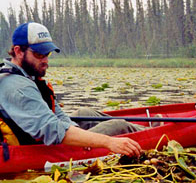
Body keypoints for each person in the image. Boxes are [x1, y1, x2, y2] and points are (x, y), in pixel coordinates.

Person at [0, 22, 142, 157]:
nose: (45, 61)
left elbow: (59, 116)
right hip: (34, 150)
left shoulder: (28, 75)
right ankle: (156, 134)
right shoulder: (17, 86)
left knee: (85, 113)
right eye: (39, 54)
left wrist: (83, 137)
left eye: (47, 54)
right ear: (18, 51)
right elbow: (51, 129)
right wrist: (108, 142)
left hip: (45, 140)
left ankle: (152, 126)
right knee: (118, 126)